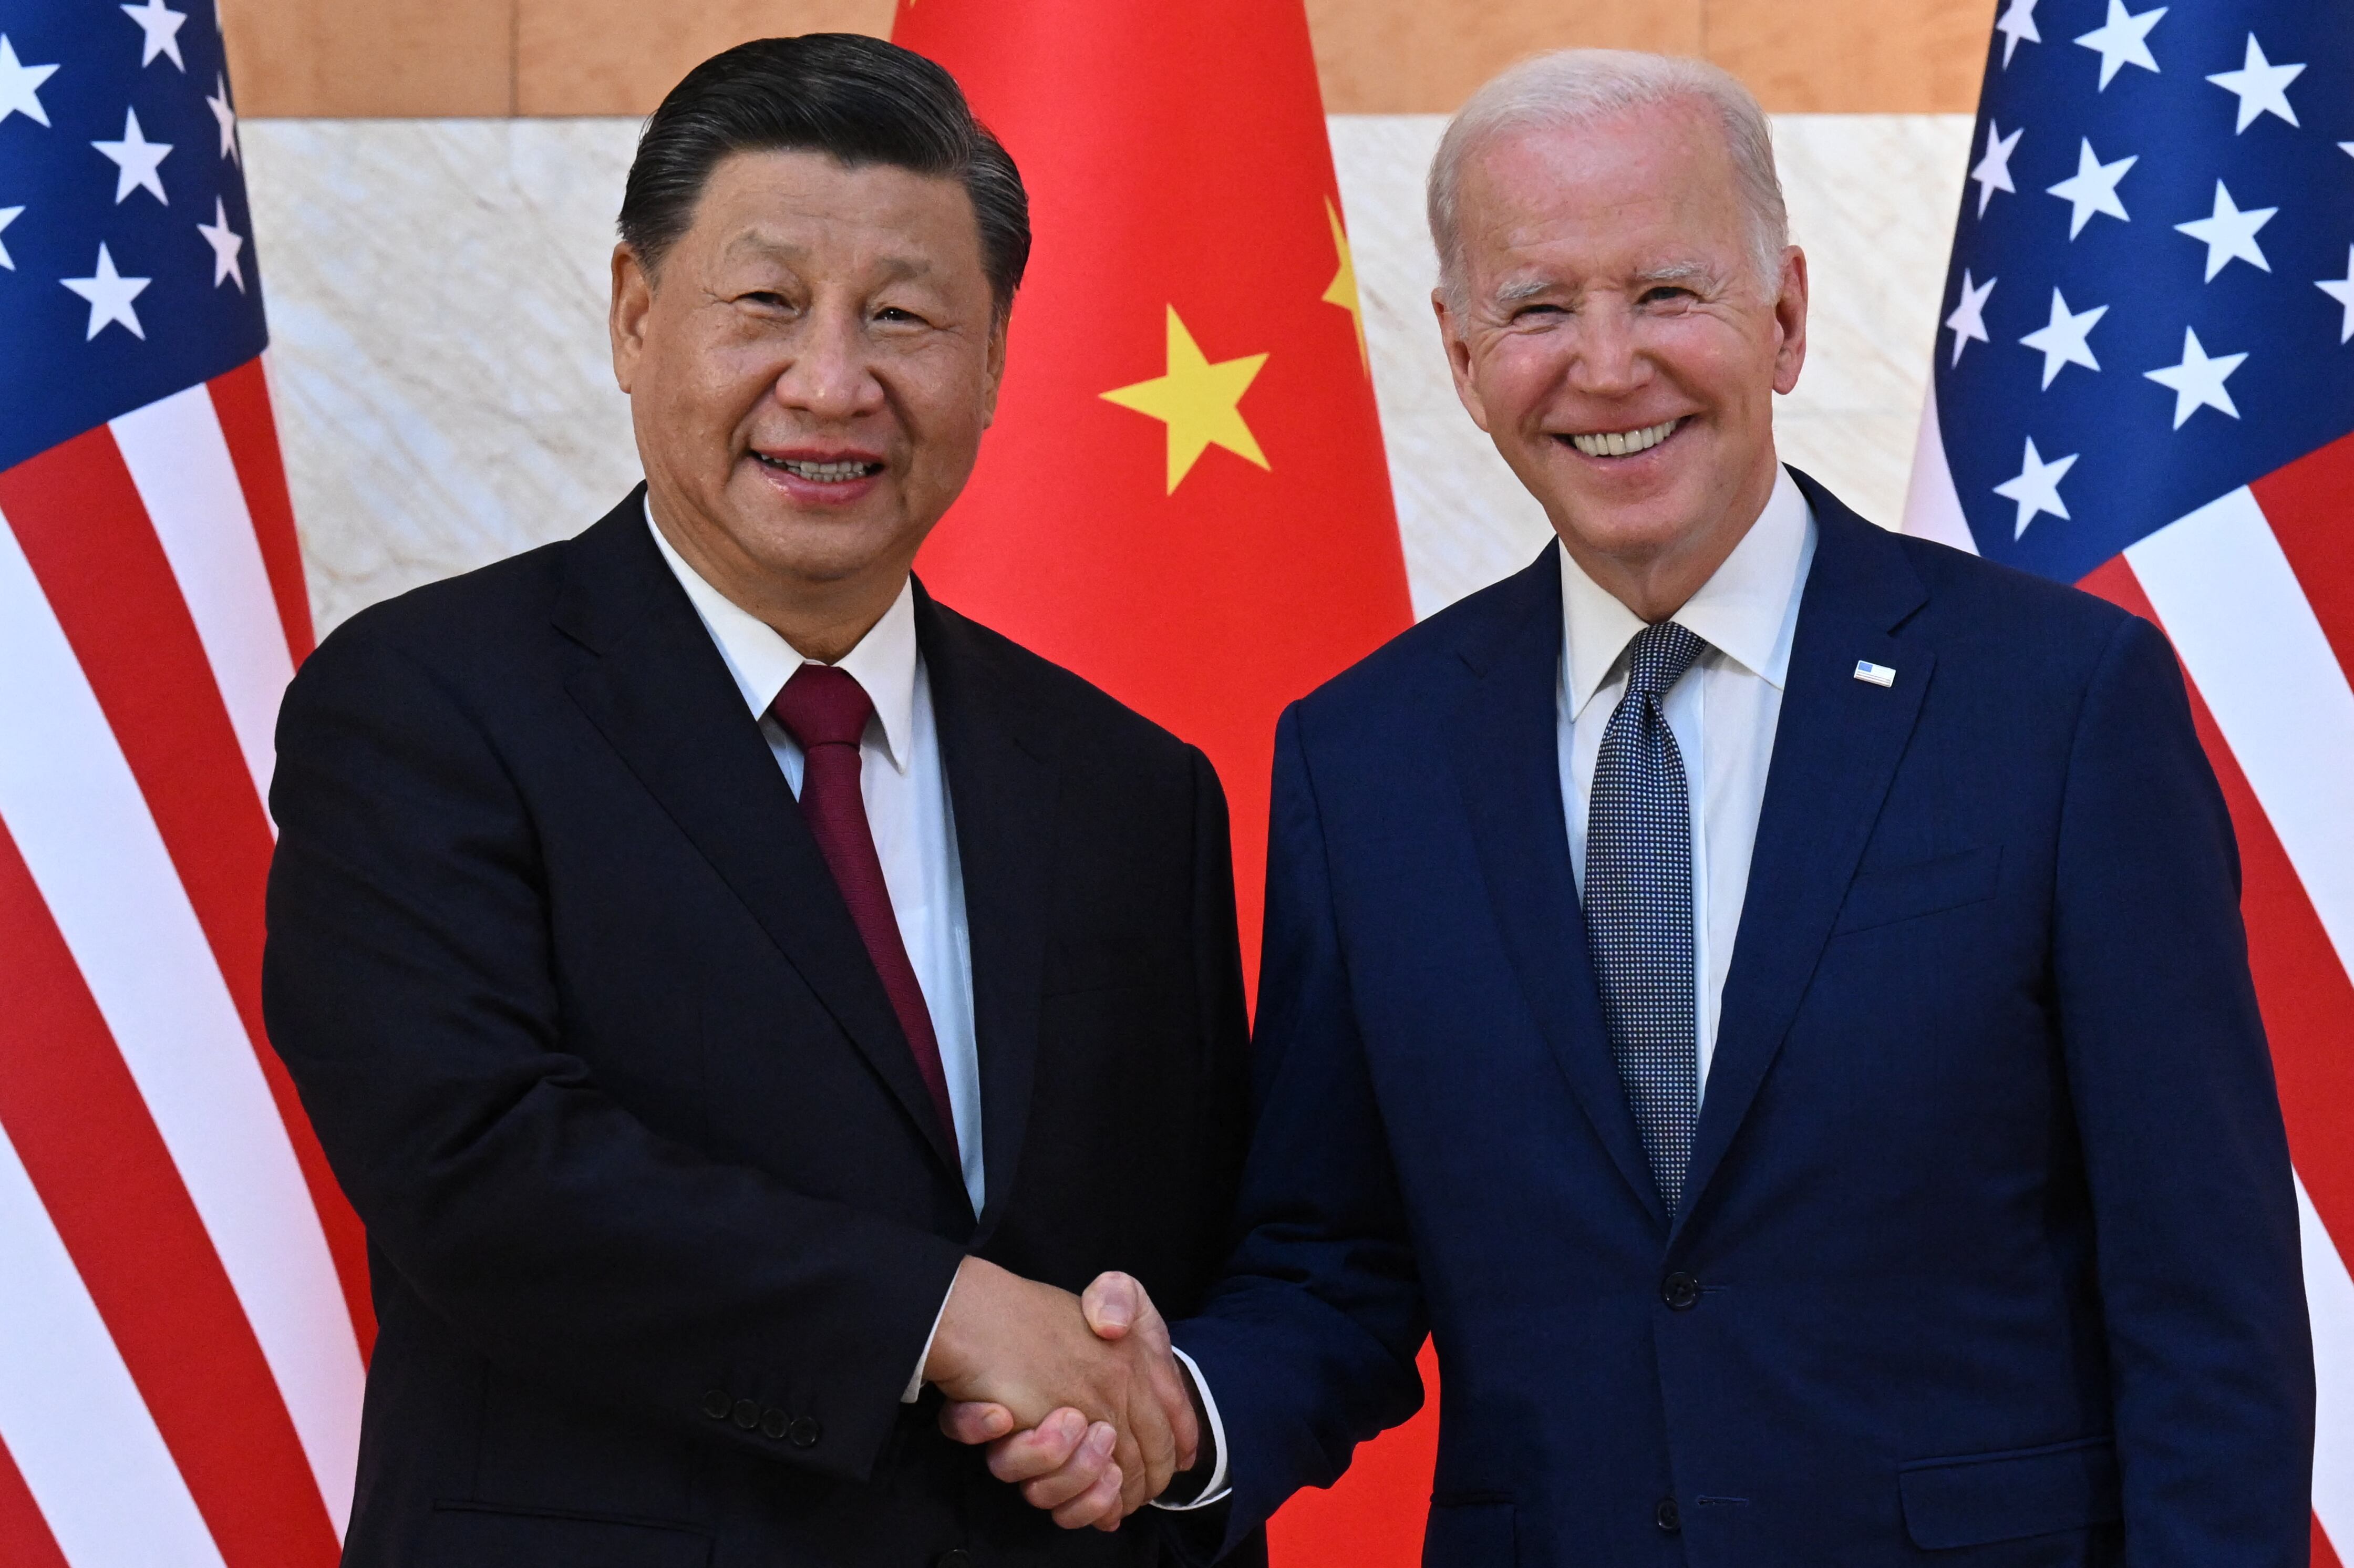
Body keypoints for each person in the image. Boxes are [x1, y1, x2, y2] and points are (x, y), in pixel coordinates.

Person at [955, 48, 2316, 1564]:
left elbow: (2209, 1309)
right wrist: (1185, 1415)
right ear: (1462, 359)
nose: (1606, 367)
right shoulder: (1368, 756)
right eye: (1537, 308)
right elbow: (1335, 1258)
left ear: (1786, 317)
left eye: (1668, 293)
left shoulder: (2060, 704)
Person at [263, 34, 1255, 1566]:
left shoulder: (1134, 789)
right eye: (767, 304)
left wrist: (1161, 1425)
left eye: (907, 318)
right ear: (637, 316)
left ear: (992, 361)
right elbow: (477, 1173)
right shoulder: (425, 705)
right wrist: (940, 1315)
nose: (833, 381)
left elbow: (1174, 1280)